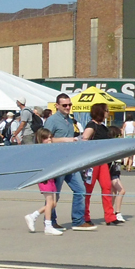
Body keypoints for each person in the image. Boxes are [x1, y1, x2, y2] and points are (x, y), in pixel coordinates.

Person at [44, 93, 91, 231]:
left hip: (71, 161)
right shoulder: (52, 121)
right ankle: (50, 221)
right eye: (64, 105)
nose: (68, 107)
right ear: (57, 106)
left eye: (69, 105)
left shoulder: (70, 120)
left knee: (80, 189)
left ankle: (78, 220)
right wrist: (68, 140)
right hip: (57, 162)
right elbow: (46, 140)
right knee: (54, 194)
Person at [81, 102, 118, 227]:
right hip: (93, 162)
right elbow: (84, 138)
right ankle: (85, 216)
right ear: (100, 111)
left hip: (103, 162)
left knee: (107, 187)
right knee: (88, 190)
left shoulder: (103, 127)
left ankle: (110, 216)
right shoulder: (92, 125)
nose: (108, 113)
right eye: (106, 110)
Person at [23, 128, 62, 236]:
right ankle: (48, 226)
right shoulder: (40, 149)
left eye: (50, 137)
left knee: (53, 203)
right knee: (49, 202)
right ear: (41, 139)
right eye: (46, 138)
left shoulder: (51, 148)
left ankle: (33, 216)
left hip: (51, 177)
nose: (49, 140)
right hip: (44, 178)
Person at [108, 125, 127, 222]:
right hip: (112, 173)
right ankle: (117, 212)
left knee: (114, 193)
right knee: (121, 191)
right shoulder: (112, 148)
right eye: (118, 135)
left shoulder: (118, 147)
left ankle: (109, 212)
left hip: (116, 173)